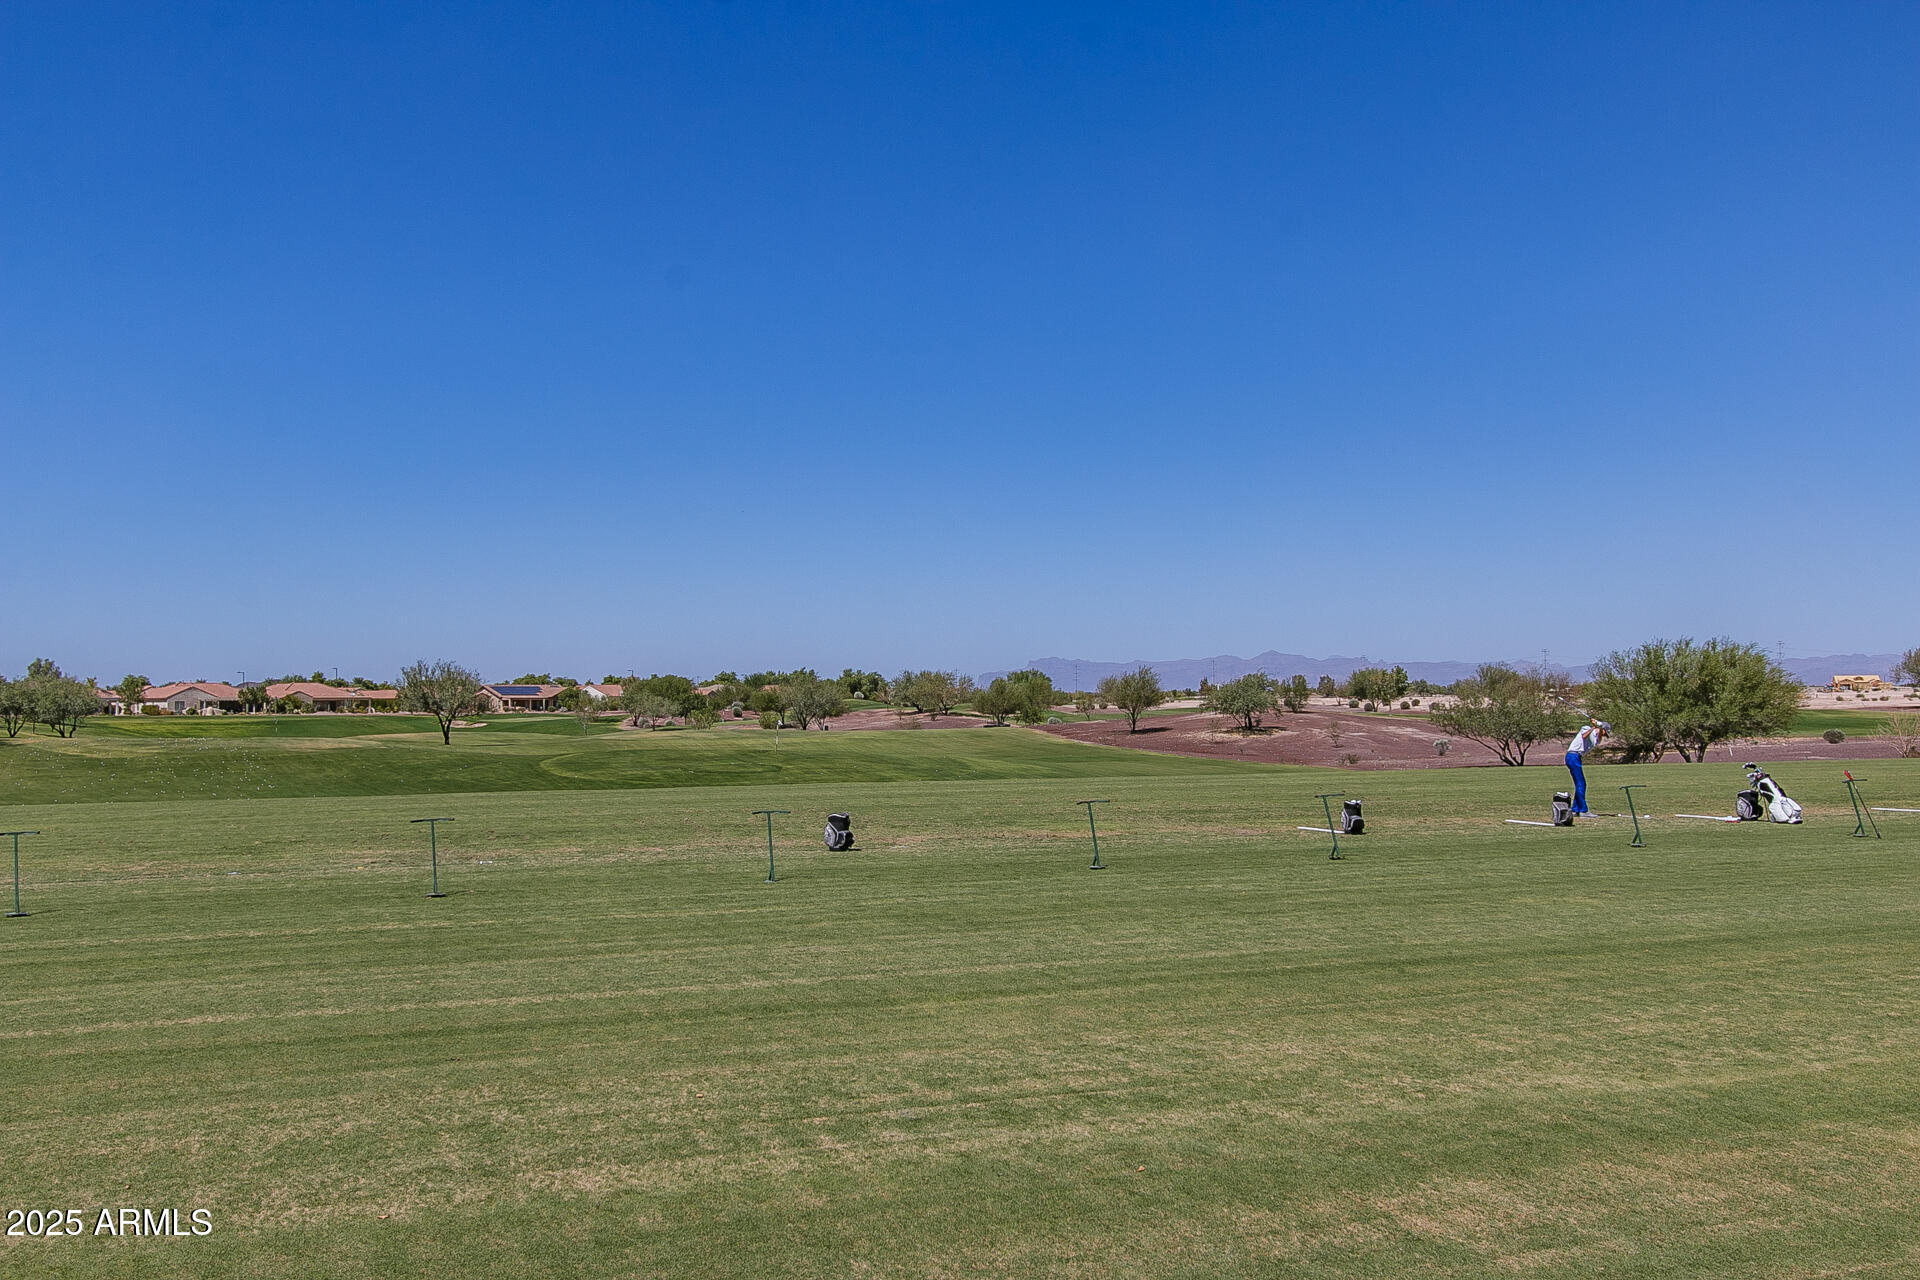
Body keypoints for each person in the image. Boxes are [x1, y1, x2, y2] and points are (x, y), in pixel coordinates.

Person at [1565, 718, 1610, 815]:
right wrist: (1594, 727)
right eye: (1604, 733)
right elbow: (1584, 736)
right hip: (1572, 756)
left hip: (1576, 757)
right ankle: (1583, 810)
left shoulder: (1596, 739)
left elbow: (1597, 736)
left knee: (1580, 784)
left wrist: (1598, 726)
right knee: (1581, 784)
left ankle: (1575, 809)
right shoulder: (1586, 728)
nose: (1604, 736)